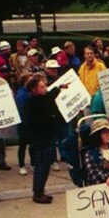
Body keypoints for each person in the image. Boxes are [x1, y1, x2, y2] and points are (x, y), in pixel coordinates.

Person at [24, 73, 65, 203]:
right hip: (39, 139)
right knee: (41, 166)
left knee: (46, 166)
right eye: (41, 87)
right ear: (34, 90)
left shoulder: (45, 97)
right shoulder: (32, 103)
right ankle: (37, 193)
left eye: (44, 86)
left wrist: (59, 87)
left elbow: (50, 94)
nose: (45, 89)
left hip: (48, 136)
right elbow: (36, 121)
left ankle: (40, 190)